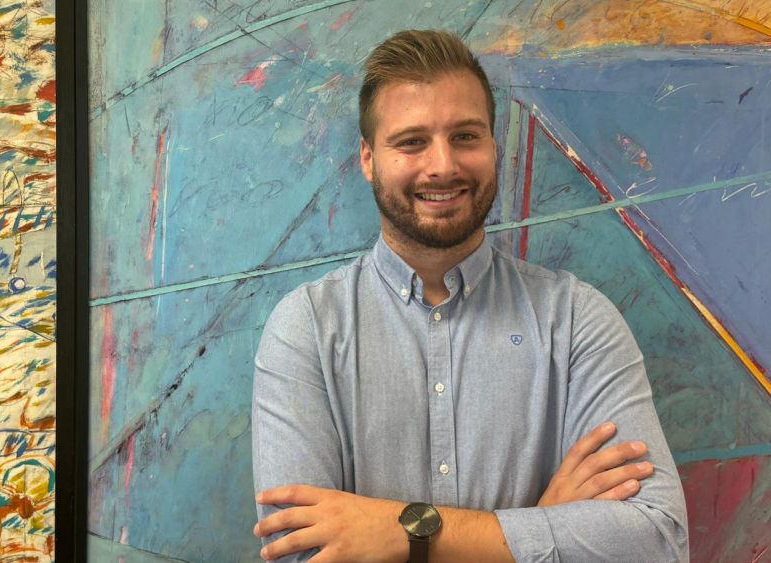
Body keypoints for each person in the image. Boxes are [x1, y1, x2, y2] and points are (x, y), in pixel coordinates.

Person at [250, 29, 688, 562]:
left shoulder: (577, 320)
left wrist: (402, 534)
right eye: (411, 142)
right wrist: (538, 527)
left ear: (493, 147)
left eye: (465, 136)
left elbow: (658, 542)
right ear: (368, 159)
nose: (443, 165)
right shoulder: (306, 330)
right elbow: (299, 556)